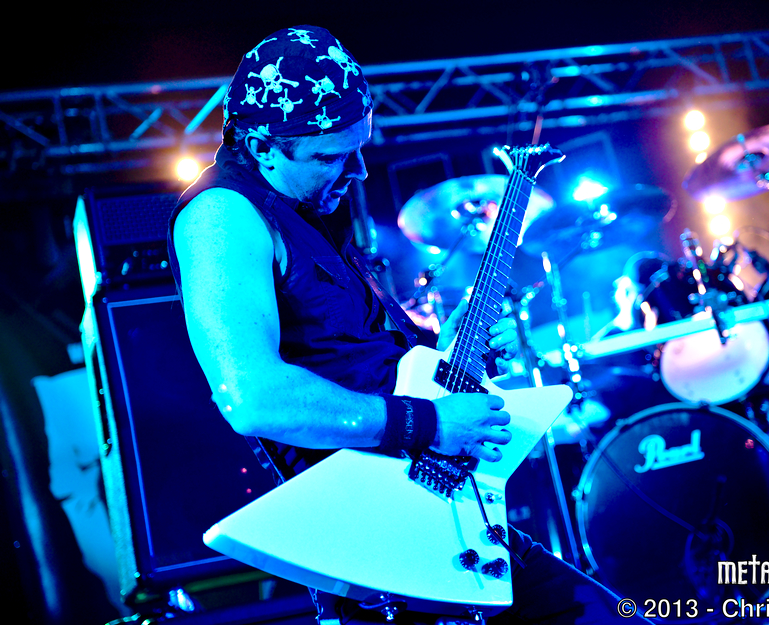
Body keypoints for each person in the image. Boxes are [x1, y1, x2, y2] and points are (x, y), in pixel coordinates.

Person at [169, 26, 648, 624]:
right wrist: (431, 421)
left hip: (436, 517)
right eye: (331, 157)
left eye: (359, 148)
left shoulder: (306, 212)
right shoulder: (220, 214)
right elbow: (251, 397)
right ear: (264, 147)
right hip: (381, 549)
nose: (359, 172)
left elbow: (356, 362)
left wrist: (443, 355)